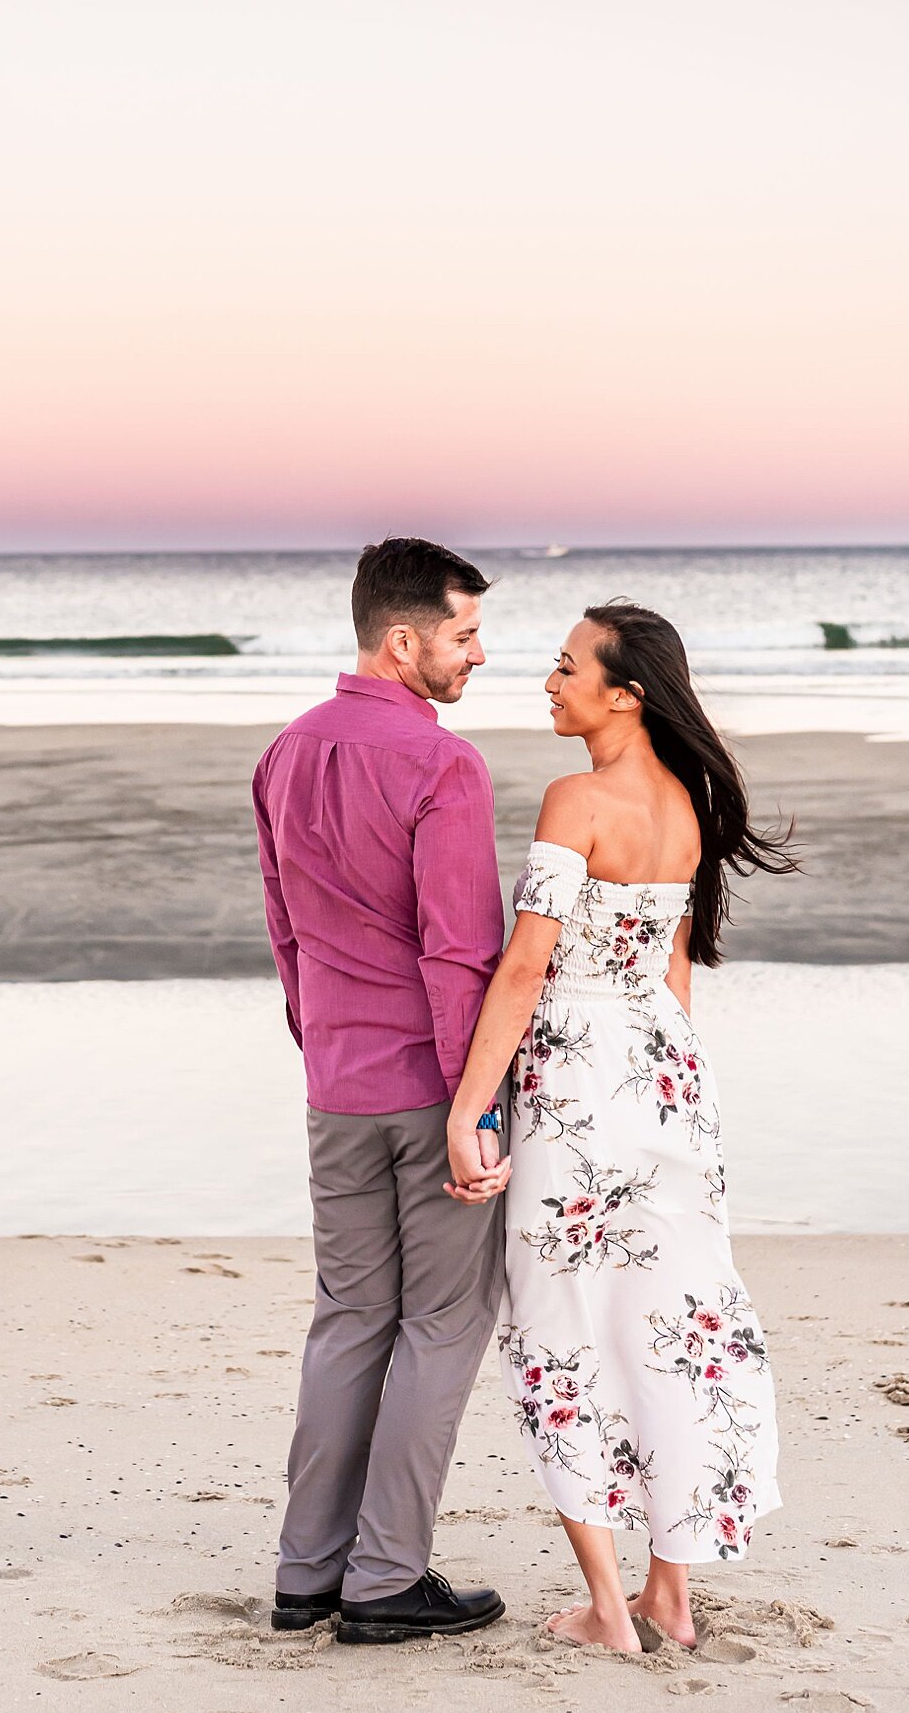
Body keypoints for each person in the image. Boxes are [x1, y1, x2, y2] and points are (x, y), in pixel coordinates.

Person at [445, 600, 796, 1653]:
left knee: (564, 1330)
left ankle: (608, 1605)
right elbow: (676, 967)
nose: (548, 682)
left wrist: (472, 1106)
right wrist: (675, 1085)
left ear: (625, 690)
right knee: (676, 1327)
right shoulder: (689, 805)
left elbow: (524, 967)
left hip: (577, 1086)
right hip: (669, 1077)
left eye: (566, 668)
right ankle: (670, 1593)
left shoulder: (577, 797)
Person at [252, 536, 511, 1645]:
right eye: (464, 634)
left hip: (337, 1084)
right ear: (402, 641)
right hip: (426, 1083)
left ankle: (306, 1573)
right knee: (446, 1320)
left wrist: (322, 1045)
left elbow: (284, 931)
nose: (479, 655)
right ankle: (386, 1576)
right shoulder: (442, 766)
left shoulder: (284, 752)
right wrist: (474, 1105)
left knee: (350, 1316)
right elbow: (462, 952)